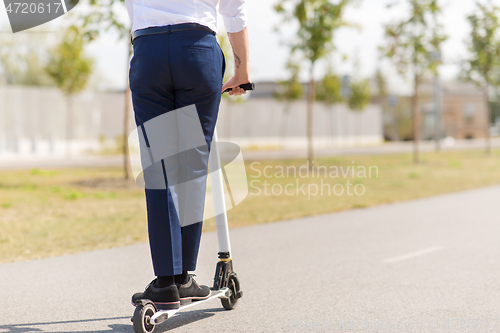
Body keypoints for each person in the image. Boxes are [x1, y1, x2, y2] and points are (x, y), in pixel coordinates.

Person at [124, 0, 250, 310]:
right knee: (191, 165)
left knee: (159, 170)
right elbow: (234, 10)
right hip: (197, 50)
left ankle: (167, 281)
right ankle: (183, 278)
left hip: (149, 51)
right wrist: (242, 70)